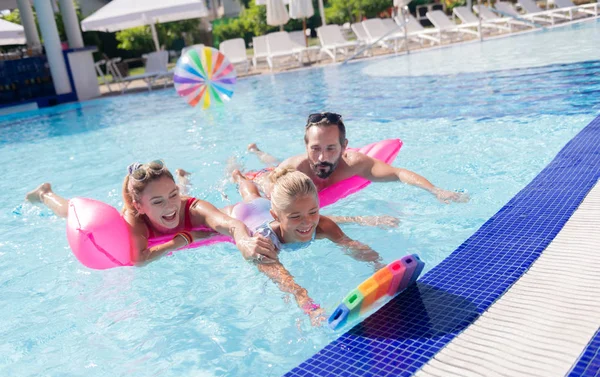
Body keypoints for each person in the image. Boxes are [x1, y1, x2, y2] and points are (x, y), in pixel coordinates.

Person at [25, 160, 278, 266]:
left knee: (178, 199)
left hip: (182, 203)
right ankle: (46, 193)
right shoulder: (134, 219)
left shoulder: (192, 208)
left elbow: (231, 225)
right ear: (139, 206)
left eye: (172, 195)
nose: (169, 206)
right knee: (70, 212)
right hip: (118, 215)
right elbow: (139, 259)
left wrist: (244, 241)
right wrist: (181, 240)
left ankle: (180, 179)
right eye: (157, 202)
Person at [223, 167, 385, 326]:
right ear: (276, 216)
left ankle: (249, 180)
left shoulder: (322, 225)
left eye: (313, 212)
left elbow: (351, 246)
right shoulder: (265, 242)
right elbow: (285, 281)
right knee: (250, 196)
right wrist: (310, 307)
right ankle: (238, 176)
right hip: (245, 214)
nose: (307, 222)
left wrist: (378, 264)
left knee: (257, 197)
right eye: (295, 216)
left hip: (266, 206)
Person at [246, 112, 470, 204]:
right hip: (269, 176)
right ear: (306, 146)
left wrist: (436, 190)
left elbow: (398, 173)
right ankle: (256, 152)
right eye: (315, 148)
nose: (322, 157)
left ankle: (257, 151)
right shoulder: (296, 169)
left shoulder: (354, 163)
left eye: (331, 148)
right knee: (272, 164)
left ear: (344, 146)